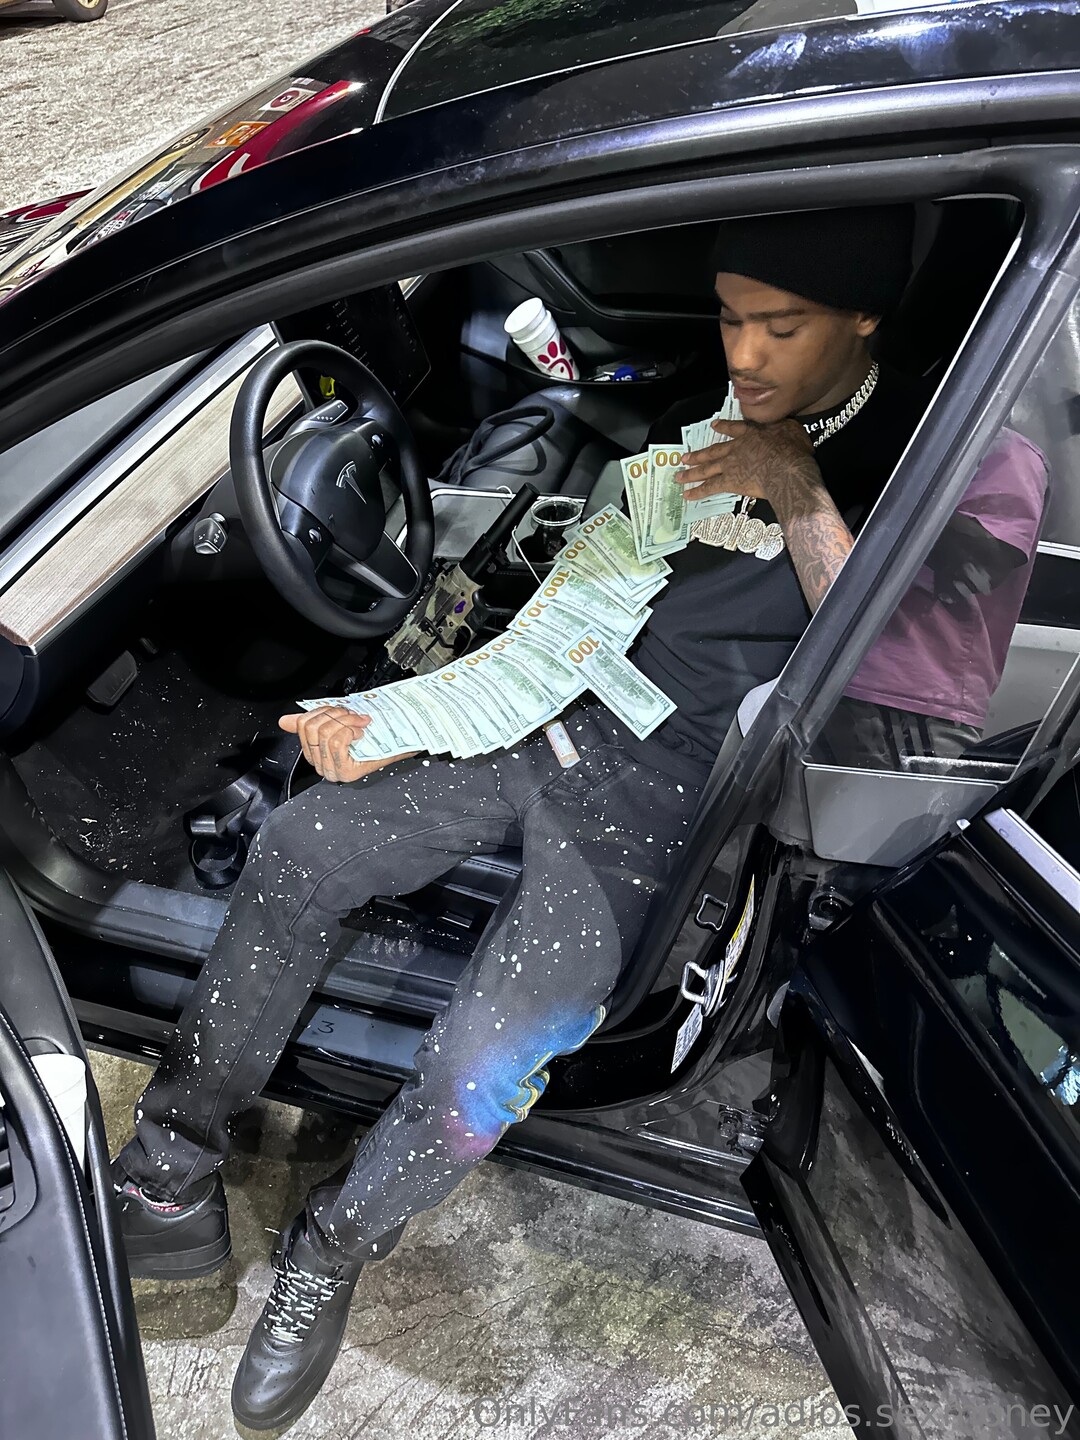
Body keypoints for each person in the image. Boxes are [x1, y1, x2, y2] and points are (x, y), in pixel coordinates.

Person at [110, 205, 1035, 1432]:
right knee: (297, 846)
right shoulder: (698, 430)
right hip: (561, 724)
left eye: (782, 326)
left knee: (484, 1065)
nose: (745, 355)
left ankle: (333, 1242)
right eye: (730, 319)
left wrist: (800, 490)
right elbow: (558, 637)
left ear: (864, 317)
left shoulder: (956, 463)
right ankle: (168, 1173)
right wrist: (395, 716)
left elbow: (902, 706)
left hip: (674, 790)